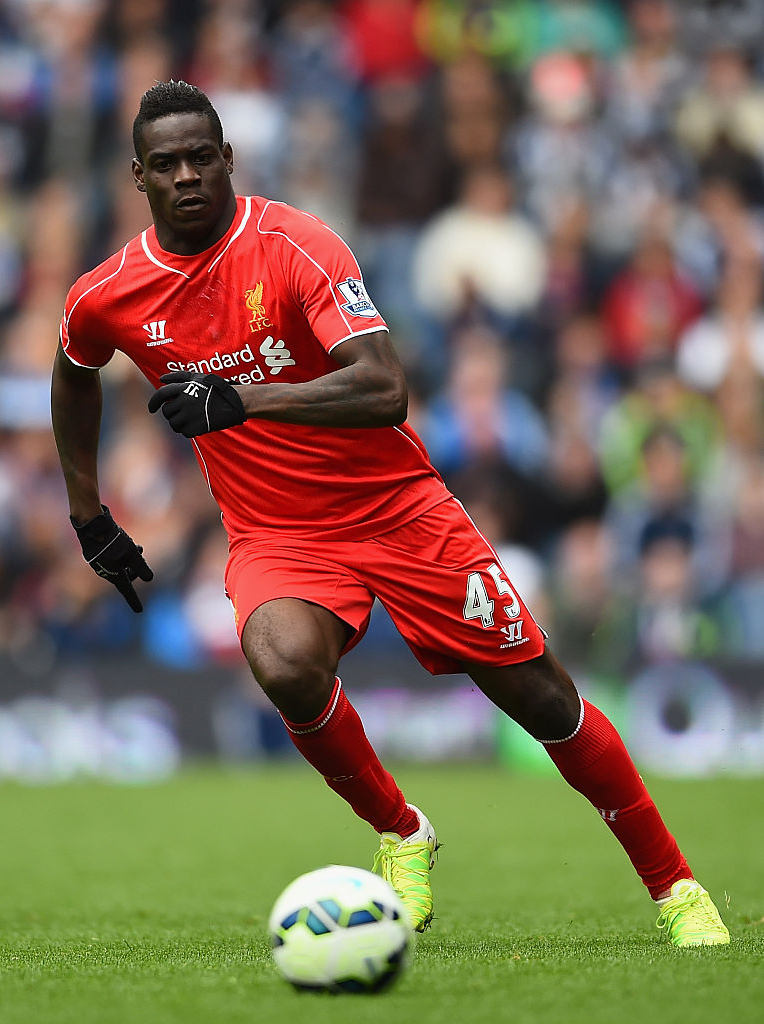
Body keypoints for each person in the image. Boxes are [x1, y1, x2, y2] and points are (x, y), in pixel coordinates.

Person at [51, 80, 729, 948]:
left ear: (229, 159)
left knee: (543, 700)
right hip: (279, 533)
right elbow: (73, 370)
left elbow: (383, 387)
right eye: (166, 163)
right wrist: (88, 516)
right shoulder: (109, 293)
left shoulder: (297, 245)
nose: (186, 176)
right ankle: (402, 832)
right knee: (281, 661)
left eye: (200, 157)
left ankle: (675, 887)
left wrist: (242, 398)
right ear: (137, 176)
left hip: (400, 511)